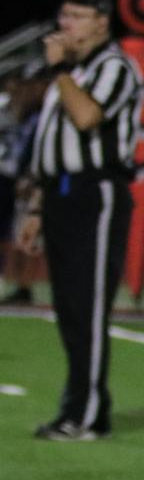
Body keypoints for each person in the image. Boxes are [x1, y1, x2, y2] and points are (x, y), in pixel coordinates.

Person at [14, 0, 142, 440]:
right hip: (62, 195)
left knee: (86, 307)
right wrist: (36, 206)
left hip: (96, 195)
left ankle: (85, 417)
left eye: (77, 16)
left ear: (102, 21)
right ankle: (83, 407)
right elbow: (54, 148)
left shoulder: (113, 67)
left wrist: (62, 70)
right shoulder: (72, 72)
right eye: (63, 14)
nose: (65, 24)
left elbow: (87, 118)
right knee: (68, 309)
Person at [2, 64, 51, 305]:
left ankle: (25, 285)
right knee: (18, 233)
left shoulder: (46, 115)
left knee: (29, 235)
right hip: (18, 179)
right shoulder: (29, 114)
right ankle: (20, 284)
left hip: (33, 183)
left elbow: (41, 152)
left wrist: (32, 180)